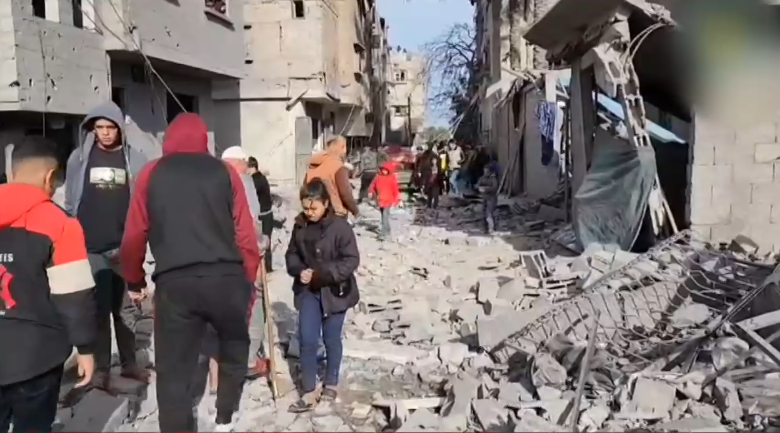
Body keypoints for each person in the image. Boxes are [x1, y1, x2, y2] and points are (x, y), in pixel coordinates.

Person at [120, 113, 261, 432]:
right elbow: (245, 234)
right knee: (233, 348)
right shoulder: (225, 172)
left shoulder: (150, 173)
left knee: (173, 370)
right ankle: (225, 416)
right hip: (226, 279)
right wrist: (248, 280)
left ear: (167, 140)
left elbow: (133, 235)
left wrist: (135, 279)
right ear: (203, 141)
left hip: (175, 283)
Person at [0, 137, 96, 432]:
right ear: (50, 177)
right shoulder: (60, 224)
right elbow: (74, 297)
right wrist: (85, 347)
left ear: (11, 173)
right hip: (37, 358)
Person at [63, 101, 149, 390]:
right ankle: (100, 370)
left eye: (110, 127)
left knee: (126, 311)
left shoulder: (135, 160)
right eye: (99, 127)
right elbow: (71, 201)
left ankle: (129, 364)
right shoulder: (78, 159)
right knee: (98, 311)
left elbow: (143, 203)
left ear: (120, 129)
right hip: (90, 248)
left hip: (124, 248)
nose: (105, 133)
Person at [285, 179, 360, 413]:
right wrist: (299, 270)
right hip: (308, 291)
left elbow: (351, 260)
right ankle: (308, 390)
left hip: (336, 292)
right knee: (307, 338)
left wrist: (322, 274)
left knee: (331, 339)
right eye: (305, 207)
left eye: (313, 208)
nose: (309, 212)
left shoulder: (340, 227)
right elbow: (291, 255)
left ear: (325, 203)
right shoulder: (300, 226)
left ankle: (330, 383)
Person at [220, 148, 269, 385]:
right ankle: (249, 361)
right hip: (244, 254)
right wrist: (262, 245)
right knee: (254, 299)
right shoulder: (243, 182)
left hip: (221, 256)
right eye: (245, 162)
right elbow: (251, 222)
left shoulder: (213, 182)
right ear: (239, 162)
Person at [304, 136, 359, 219]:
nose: (345, 151)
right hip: (334, 213)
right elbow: (345, 194)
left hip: (312, 212)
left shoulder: (313, 165)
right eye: (345, 147)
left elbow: (304, 188)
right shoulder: (337, 166)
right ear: (342, 147)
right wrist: (355, 211)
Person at [247, 156, 274, 272]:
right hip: (267, 215)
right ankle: (267, 268)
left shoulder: (256, 181)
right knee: (266, 242)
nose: (246, 171)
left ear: (252, 167)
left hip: (263, 216)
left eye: (247, 168)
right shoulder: (261, 177)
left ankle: (265, 269)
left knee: (262, 243)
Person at [368, 162, 401, 240]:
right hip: (380, 200)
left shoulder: (391, 178)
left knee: (384, 217)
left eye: (386, 170)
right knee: (383, 216)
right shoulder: (378, 177)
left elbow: (395, 190)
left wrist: (397, 200)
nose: (384, 171)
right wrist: (370, 191)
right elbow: (372, 185)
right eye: (383, 170)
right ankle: (388, 231)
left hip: (388, 200)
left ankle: (384, 234)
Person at [477, 161, 499, 234]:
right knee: (483, 213)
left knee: (490, 213)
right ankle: (485, 229)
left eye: (487, 172)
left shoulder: (493, 179)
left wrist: (485, 189)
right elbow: (477, 185)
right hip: (484, 198)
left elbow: (495, 188)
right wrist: (478, 187)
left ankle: (491, 229)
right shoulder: (482, 178)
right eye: (484, 171)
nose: (485, 173)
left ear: (490, 172)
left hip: (491, 198)